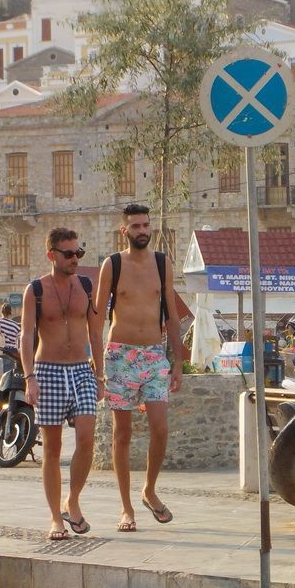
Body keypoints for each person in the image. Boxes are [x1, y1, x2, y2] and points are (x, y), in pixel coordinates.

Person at [94, 203, 183, 533]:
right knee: (123, 434)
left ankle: (148, 490)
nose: (142, 231)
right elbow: (96, 315)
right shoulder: (113, 265)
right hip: (120, 356)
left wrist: (178, 363)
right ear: (124, 231)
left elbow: (171, 314)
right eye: (135, 226)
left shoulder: (162, 263)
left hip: (154, 355)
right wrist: (96, 362)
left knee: (160, 427)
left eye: (146, 225)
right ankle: (126, 507)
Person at [20, 228, 104, 541]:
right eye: (68, 254)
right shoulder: (35, 290)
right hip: (48, 370)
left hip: (82, 369)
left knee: (86, 437)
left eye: (78, 253)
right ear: (51, 254)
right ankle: (56, 517)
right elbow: (26, 335)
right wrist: (30, 377)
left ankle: (73, 500)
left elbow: (96, 334)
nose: (75, 259)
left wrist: (99, 375)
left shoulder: (86, 286)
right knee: (52, 449)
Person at [0, 302, 21, 374]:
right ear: (10, 312)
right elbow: (20, 339)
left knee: (1, 374)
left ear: (1, 311)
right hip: (13, 352)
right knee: (10, 373)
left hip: (2, 350)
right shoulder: (16, 325)